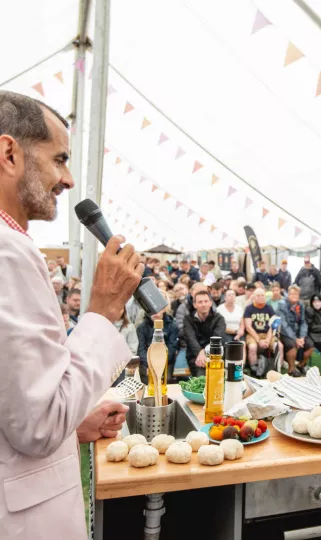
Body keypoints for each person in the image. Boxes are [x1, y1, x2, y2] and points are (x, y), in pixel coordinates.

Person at [0, 90, 140, 539]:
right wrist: (102, 311)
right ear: (9, 153)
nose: (68, 180)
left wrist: (74, 423)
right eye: (59, 159)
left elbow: (17, 402)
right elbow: (39, 426)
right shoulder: (8, 253)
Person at [183, 290, 226, 376]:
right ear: (195, 305)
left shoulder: (219, 318)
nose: (203, 304)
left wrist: (204, 352)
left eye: (206, 301)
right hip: (195, 355)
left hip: (215, 354)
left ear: (210, 303)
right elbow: (191, 338)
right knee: (200, 371)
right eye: (200, 302)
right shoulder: (188, 319)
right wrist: (200, 353)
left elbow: (217, 338)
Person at [137, 302, 179, 384]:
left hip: (166, 360)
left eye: (157, 309)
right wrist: (150, 364)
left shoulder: (172, 325)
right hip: (147, 361)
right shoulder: (141, 327)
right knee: (146, 376)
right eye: (151, 310)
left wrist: (160, 364)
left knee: (165, 378)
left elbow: (171, 348)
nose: (155, 313)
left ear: (163, 309)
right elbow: (141, 349)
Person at [278, 285, 314, 376]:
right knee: (292, 345)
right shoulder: (282, 304)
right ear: (288, 295)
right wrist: (295, 339)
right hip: (285, 333)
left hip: (298, 332)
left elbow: (303, 322)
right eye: (292, 294)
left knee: (310, 346)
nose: (294, 296)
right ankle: (291, 369)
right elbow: (284, 325)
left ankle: (301, 365)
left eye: (296, 294)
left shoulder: (300, 305)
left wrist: (301, 337)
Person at [244, 288, 276, 371]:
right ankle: (254, 369)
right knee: (252, 347)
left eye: (263, 295)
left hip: (267, 333)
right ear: (254, 297)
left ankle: (276, 368)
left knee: (279, 346)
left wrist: (268, 340)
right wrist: (259, 340)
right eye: (258, 295)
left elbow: (273, 325)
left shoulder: (269, 308)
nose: (261, 297)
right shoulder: (249, 308)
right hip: (253, 334)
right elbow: (248, 327)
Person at [112, 309, 139, 386]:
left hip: (123, 367)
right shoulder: (104, 326)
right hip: (107, 368)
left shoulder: (130, 327)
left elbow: (133, 349)